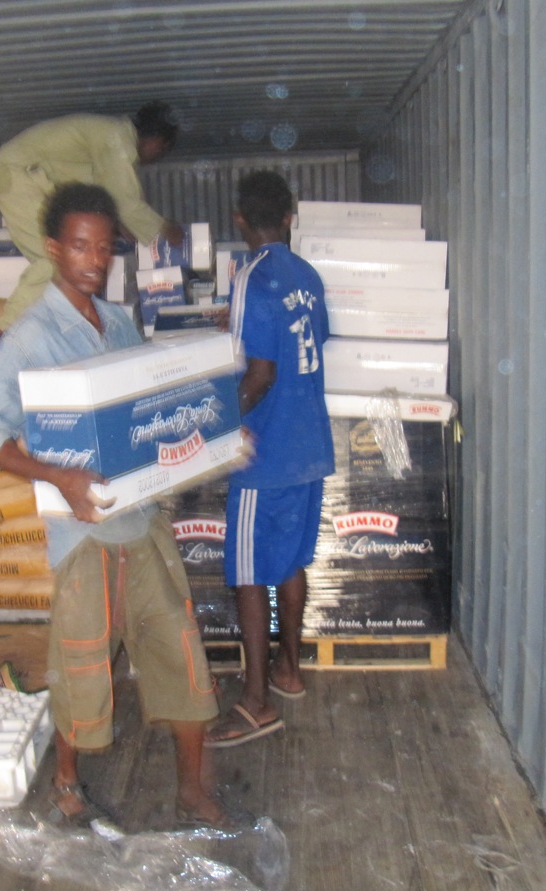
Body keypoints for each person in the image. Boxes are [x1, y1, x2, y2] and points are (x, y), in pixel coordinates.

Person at [0, 182, 229, 828]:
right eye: (80, 246)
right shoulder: (31, 337)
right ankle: (66, 778)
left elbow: (146, 411)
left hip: (141, 525)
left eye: (104, 248)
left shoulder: (119, 323)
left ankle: (192, 791)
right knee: (82, 662)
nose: (94, 260)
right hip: (83, 538)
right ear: (54, 248)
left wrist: (210, 439)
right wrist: (60, 477)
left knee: (181, 650)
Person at [205, 171, 334, 748]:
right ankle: (289, 670)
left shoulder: (249, 276)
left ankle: (256, 703)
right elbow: (303, 339)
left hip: (267, 453)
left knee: (249, 573)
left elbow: (260, 375)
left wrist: (216, 425)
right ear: (289, 216)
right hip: (310, 445)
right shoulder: (306, 275)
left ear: (239, 220)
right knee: (289, 563)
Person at [0, 101, 186, 341]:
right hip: (18, 174)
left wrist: (116, 223)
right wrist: (166, 230)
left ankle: (42, 334)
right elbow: (126, 202)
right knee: (56, 259)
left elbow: (101, 194)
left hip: (27, 177)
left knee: (58, 265)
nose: (157, 157)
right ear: (158, 142)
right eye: (162, 151)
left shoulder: (112, 137)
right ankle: (2, 333)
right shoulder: (117, 139)